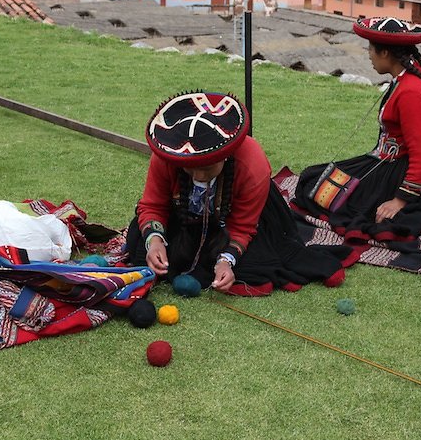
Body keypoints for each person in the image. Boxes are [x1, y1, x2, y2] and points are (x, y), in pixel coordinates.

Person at [126, 91, 349, 297]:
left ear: (226, 156)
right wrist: (154, 241)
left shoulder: (253, 166)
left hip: (238, 221)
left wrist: (226, 261)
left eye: (207, 168)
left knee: (256, 267)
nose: (199, 175)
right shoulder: (169, 155)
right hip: (182, 216)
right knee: (139, 245)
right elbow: (153, 205)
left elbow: (243, 226)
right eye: (191, 168)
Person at [292, 16, 421, 248]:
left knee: (319, 191)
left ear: (385, 53)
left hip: (398, 173)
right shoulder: (404, 80)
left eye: (371, 49)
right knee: (312, 179)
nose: (369, 55)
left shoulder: (411, 92)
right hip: (385, 163)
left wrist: (399, 201)